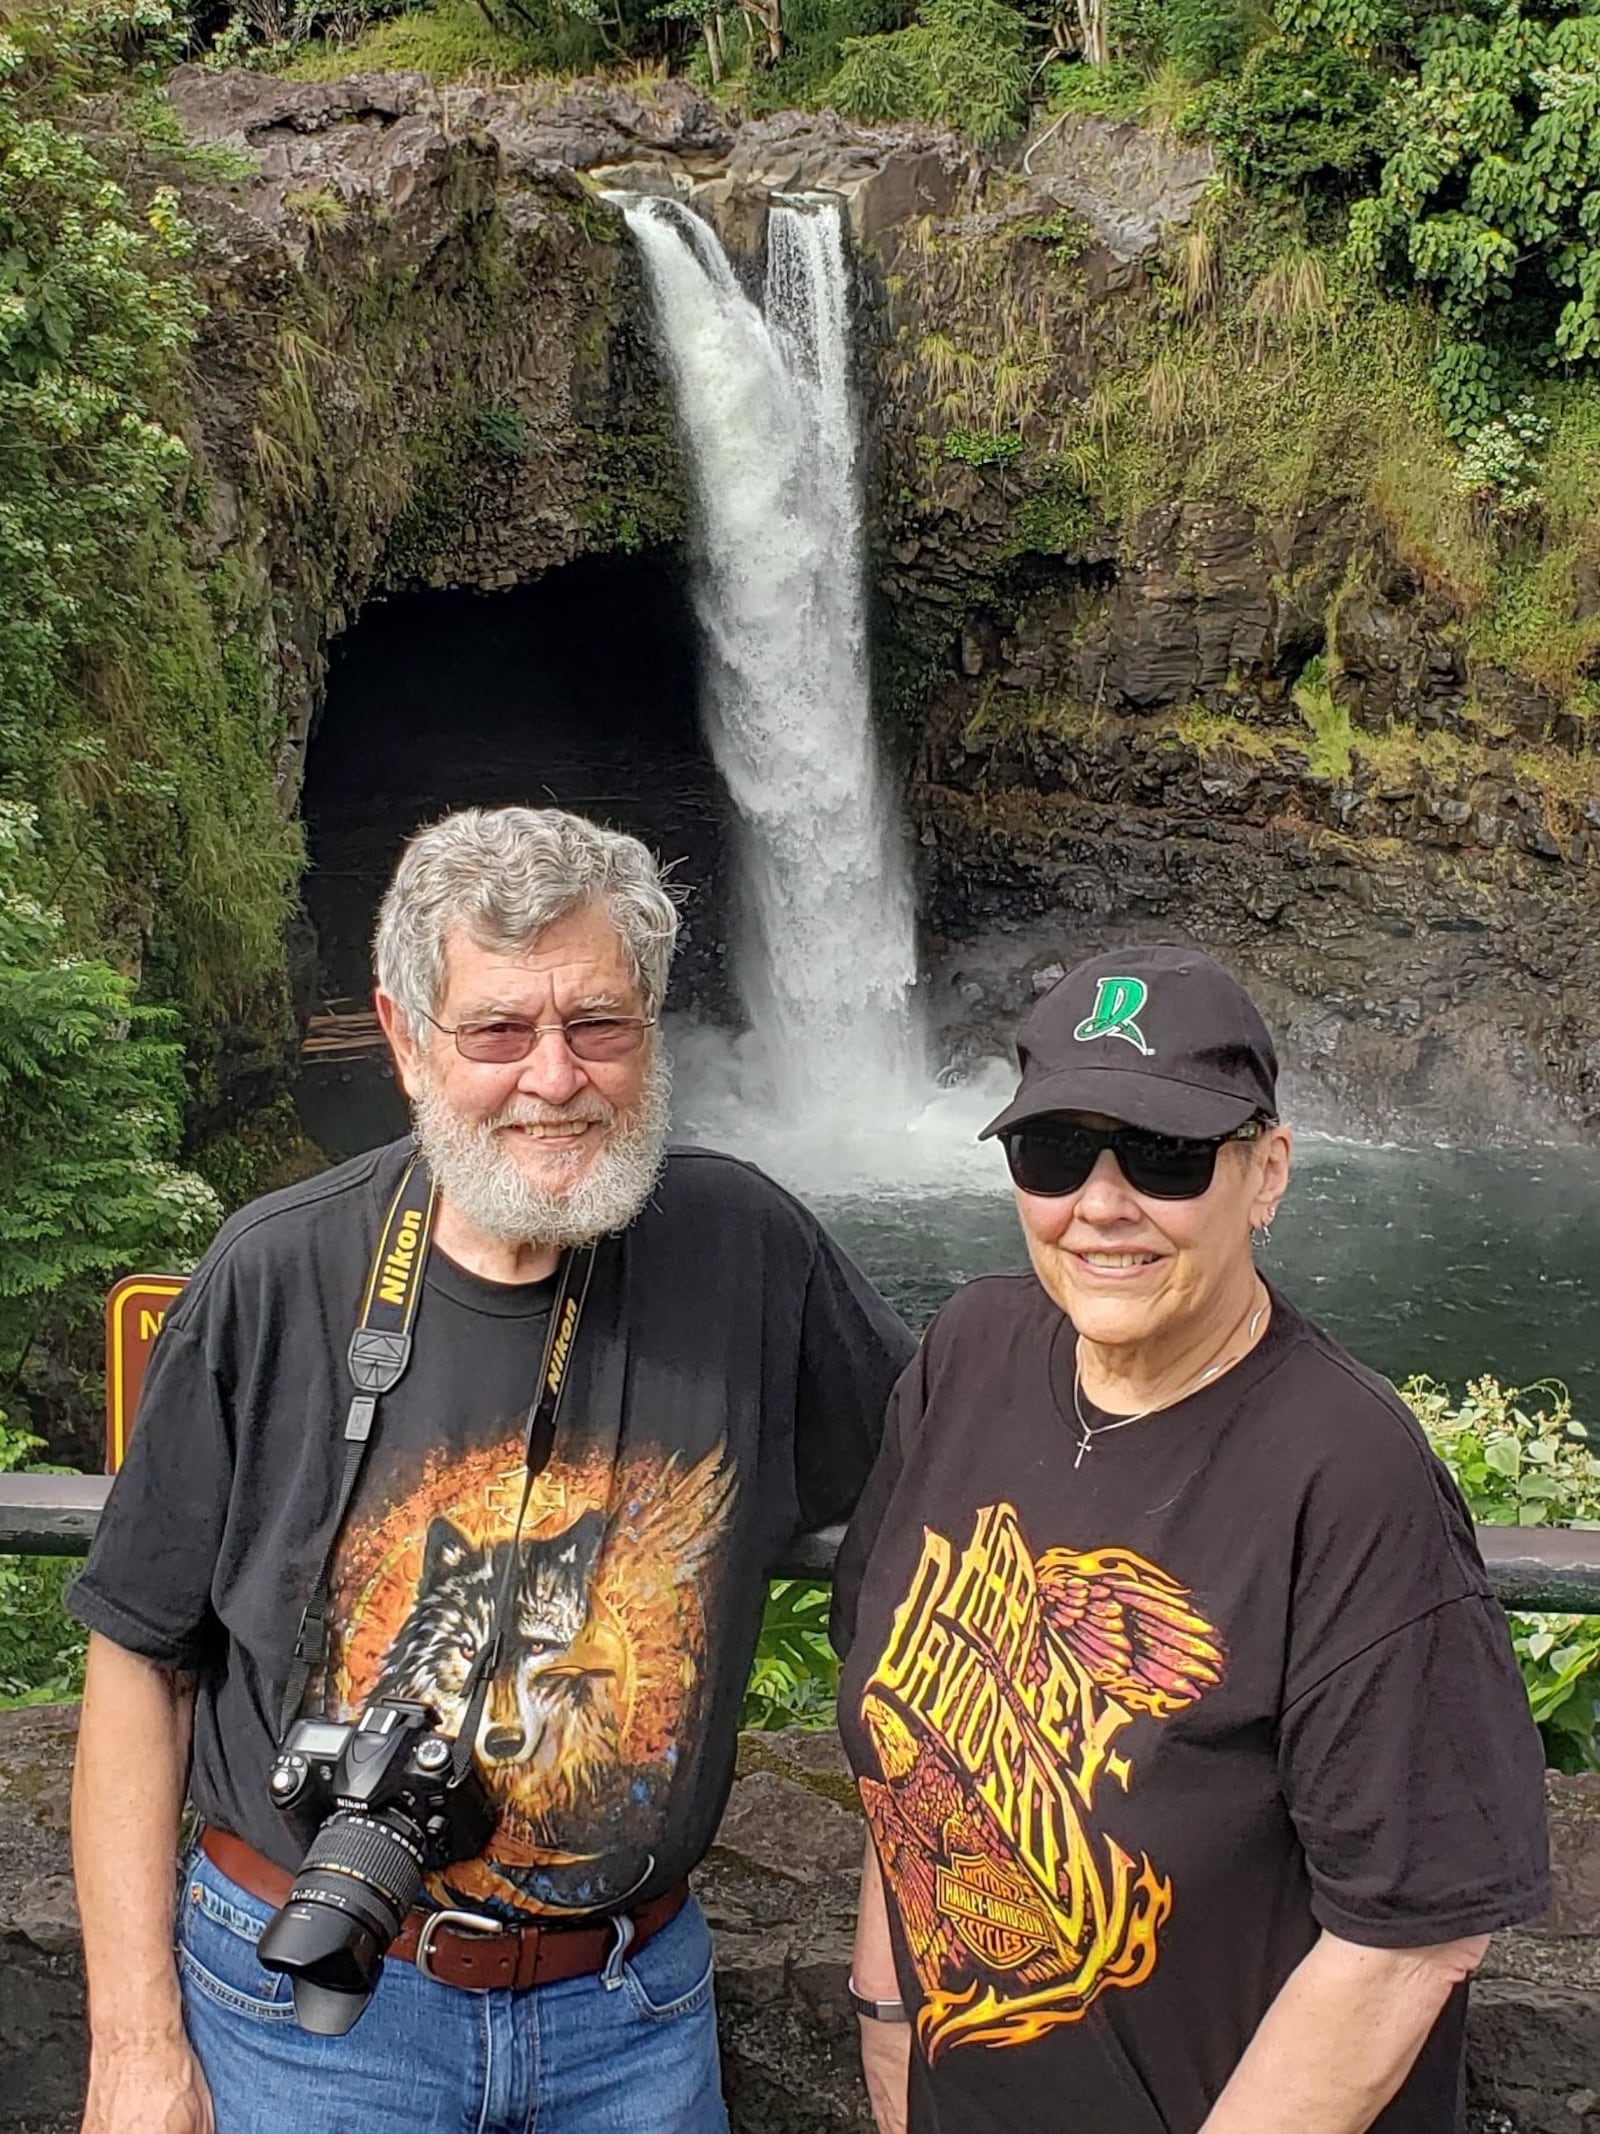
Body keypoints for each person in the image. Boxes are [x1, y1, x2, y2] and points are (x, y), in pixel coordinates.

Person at [69, 804, 915, 2134]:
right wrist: (132, 2045)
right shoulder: (277, 1274)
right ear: (406, 1041)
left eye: (599, 1024)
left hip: (628, 2012)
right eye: (499, 1030)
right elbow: (138, 1656)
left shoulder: (747, 1247)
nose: (554, 1075)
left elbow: (964, 1492)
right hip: (306, 2010)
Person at [832, 943, 1550, 2134]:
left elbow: (1411, 1937)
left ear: (1264, 1171)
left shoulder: (1346, 1469)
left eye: (1164, 1158)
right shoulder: (971, 1352)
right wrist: (887, 2015)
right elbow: (905, 1738)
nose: (1101, 1206)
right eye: (1054, 1152)